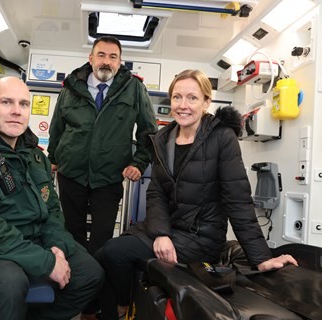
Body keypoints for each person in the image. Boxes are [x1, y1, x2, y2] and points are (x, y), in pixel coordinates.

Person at [94, 69, 298, 320]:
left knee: (115, 252)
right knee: (104, 254)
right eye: (177, 97)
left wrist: (262, 258)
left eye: (192, 98)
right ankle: (116, 309)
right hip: (169, 228)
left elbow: (238, 200)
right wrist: (161, 234)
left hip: (200, 235)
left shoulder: (222, 137)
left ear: (206, 102)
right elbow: (156, 192)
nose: (183, 105)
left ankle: (120, 309)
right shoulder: (164, 138)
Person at [0, 77, 104, 320]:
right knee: (8, 282)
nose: (16, 111)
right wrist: (45, 262)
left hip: (34, 242)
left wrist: (57, 248)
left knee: (90, 273)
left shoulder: (35, 157)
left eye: (23, 104)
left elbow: (52, 211)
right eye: (6, 102)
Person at [47, 35, 157, 256]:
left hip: (109, 177)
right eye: (101, 55)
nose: (106, 61)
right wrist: (53, 158)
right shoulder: (71, 86)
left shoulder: (134, 88)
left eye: (113, 57)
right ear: (91, 58)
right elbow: (57, 126)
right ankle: (76, 280)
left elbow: (148, 130)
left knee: (102, 237)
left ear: (119, 62)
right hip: (71, 174)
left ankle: (96, 283)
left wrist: (139, 162)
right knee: (71, 233)